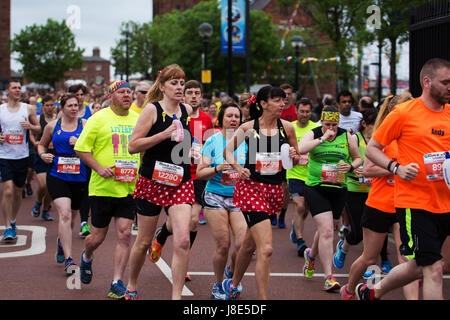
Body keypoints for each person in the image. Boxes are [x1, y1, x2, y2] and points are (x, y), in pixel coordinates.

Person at [355, 58, 450, 300]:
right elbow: (372, 149)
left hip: (446, 202)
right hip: (416, 203)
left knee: (426, 265)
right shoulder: (404, 113)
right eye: (446, 82)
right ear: (427, 82)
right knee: (434, 268)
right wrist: (396, 168)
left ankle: (374, 291)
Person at [221, 85, 300, 300]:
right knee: (266, 249)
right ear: (263, 104)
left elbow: (295, 161)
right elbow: (227, 151)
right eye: (276, 100)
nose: (282, 104)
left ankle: (233, 284)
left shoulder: (288, 128)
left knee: (248, 245)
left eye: (283, 100)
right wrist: (238, 168)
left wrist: (293, 155)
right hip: (252, 189)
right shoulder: (248, 127)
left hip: (274, 190)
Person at [340, 91, 420, 300]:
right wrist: (396, 169)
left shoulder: (414, 139)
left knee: (406, 259)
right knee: (369, 257)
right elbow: (367, 169)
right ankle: (349, 290)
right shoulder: (385, 136)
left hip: (404, 204)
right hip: (379, 204)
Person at [124, 64, 194, 300]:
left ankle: (176, 296)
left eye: (182, 82)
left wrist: (194, 152)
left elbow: (184, 143)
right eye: (174, 82)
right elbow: (133, 146)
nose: (179, 87)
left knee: (183, 239)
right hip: (152, 181)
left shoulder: (187, 110)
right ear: (162, 86)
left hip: (180, 181)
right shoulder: (151, 111)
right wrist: (163, 135)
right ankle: (131, 284)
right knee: (143, 242)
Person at [74, 80, 140, 299]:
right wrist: (99, 168)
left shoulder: (138, 120)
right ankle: (87, 255)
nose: (127, 96)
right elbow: (81, 149)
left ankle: (116, 281)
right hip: (102, 188)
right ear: (111, 96)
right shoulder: (98, 119)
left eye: (129, 92)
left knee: (124, 235)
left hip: (129, 186)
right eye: (122, 92)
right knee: (97, 238)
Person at [149, 80, 213, 280]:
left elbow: (208, 144)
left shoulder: (206, 119)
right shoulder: (175, 116)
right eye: (190, 92)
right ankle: (162, 235)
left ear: (201, 96)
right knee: (177, 223)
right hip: (176, 174)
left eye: (197, 93)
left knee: (193, 222)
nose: (194, 96)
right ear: (183, 95)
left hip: (198, 175)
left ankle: (182, 262)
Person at [298, 105, 362, 291]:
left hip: (338, 189)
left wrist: (350, 167)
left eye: (334, 125)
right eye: (327, 124)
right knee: (327, 231)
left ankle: (311, 256)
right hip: (316, 187)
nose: (331, 128)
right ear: (322, 123)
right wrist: (321, 138)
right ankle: (329, 277)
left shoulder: (347, 135)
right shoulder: (314, 133)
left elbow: (357, 158)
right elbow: (301, 149)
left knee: (326, 228)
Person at [196, 102, 248, 300]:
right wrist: (218, 169)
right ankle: (217, 286)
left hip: (238, 198)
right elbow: (201, 173)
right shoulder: (212, 141)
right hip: (215, 196)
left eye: (236, 116)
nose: (234, 119)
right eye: (229, 116)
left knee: (243, 244)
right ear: (221, 119)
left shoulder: (248, 142)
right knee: (224, 244)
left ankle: (231, 274)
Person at [38, 93, 88, 273]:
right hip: (57, 174)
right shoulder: (52, 126)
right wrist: (43, 154)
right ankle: (69, 259)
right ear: (62, 107)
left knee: (73, 216)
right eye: (70, 106)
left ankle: (61, 241)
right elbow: (41, 144)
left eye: (76, 105)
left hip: (80, 176)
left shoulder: (85, 125)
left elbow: (96, 147)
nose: (74, 108)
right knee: (65, 214)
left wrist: (81, 142)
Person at [332, 108, 378, 270]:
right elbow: (341, 161)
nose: (377, 127)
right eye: (374, 124)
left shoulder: (379, 140)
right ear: (364, 124)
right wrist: (353, 168)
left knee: (372, 230)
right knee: (357, 232)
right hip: (353, 189)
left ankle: (367, 267)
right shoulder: (354, 138)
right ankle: (344, 247)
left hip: (373, 191)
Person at [0, 80, 41, 241]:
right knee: (8, 190)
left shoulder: (28, 108)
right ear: (7, 91)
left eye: (19, 88)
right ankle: (8, 227)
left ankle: (13, 220)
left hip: (22, 155)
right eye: (14, 88)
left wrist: (30, 127)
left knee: (17, 192)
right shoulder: (1, 109)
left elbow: (39, 128)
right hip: (4, 155)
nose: (18, 90)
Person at [286, 97, 320, 256]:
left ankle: (295, 227)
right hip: (293, 173)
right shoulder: (289, 127)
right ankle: (300, 240)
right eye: (302, 111)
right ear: (296, 111)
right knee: (299, 205)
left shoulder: (316, 128)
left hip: (311, 174)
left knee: (305, 208)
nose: (304, 114)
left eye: (307, 112)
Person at [69, 83, 92, 237]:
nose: (79, 97)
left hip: (86, 156)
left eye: (81, 94)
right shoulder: (64, 112)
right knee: (73, 192)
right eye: (76, 95)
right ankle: (68, 219)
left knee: (86, 190)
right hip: (69, 158)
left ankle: (84, 222)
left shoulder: (89, 111)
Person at [31, 95, 57, 221]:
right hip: (41, 156)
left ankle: (45, 210)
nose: (50, 108)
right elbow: (31, 132)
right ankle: (38, 202)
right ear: (42, 107)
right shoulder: (38, 118)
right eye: (47, 105)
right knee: (43, 185)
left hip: (55, 156)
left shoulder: (58, 120)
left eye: (52, 105)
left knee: (50, 187)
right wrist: (34, 142)